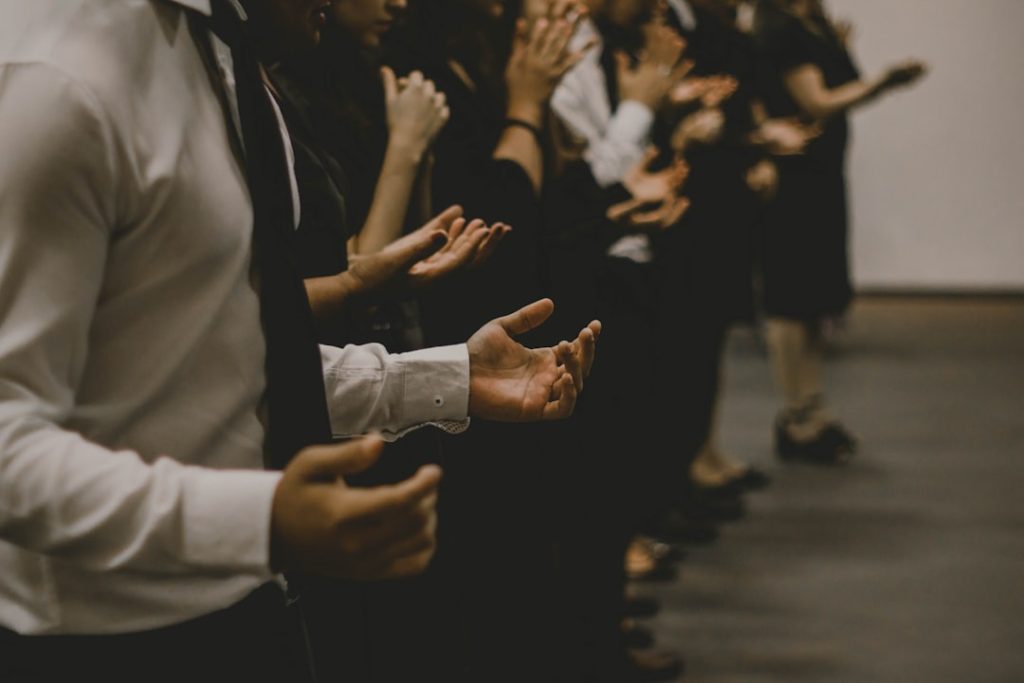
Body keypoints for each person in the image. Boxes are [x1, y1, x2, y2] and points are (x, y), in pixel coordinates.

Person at [0, 1, 599, 680]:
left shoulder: (213, 54)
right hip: (107, 643)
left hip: (249, 605)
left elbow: (209, 368)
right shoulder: (58, 78)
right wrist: (258, 515)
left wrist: (442, 378)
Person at [752, 0, 925, 462]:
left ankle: (812, 407)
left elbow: (838, 91)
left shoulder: (814, 24)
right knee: (791, 300)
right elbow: (817, 102)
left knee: (814, 302)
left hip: (822, 174)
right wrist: (884, 82)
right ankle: (796, 414)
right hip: (794, 179)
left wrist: (872, 79)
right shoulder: (780, 28)